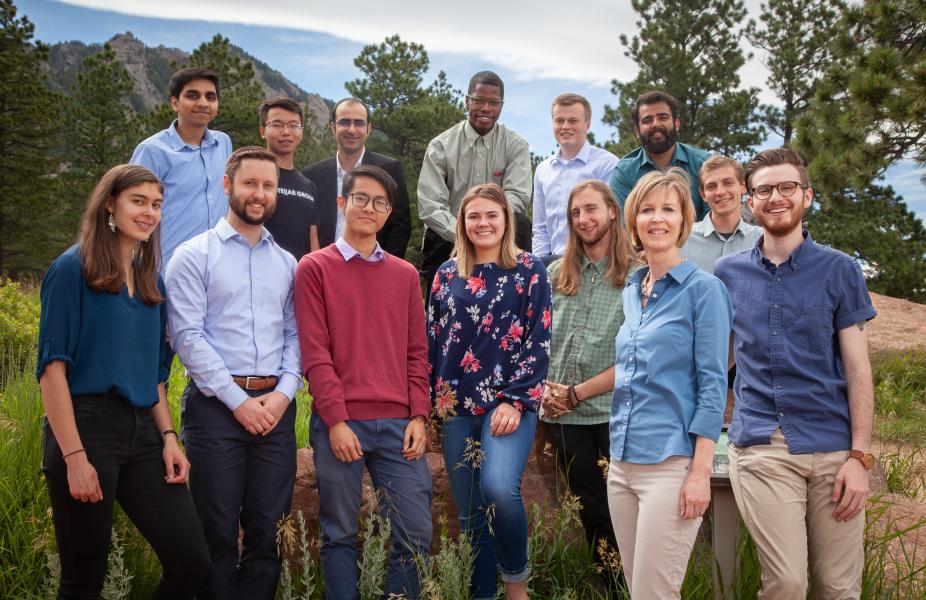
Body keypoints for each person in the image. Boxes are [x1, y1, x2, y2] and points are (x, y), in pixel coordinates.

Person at [37, 164, 209, 599]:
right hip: (85, 429)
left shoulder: (153, 279)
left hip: (143, 434)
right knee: (83, 579)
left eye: (156, 205)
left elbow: (153, 375)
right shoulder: (72, 269)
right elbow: (51, 370)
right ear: (110, 204)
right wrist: (74, 457)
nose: (149, 213)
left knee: (192, 563)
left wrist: (169, 436)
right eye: (139, 201)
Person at [714, 148, 876, 599]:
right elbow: (715, 362)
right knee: (786, 583)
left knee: (838, 588)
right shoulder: (727, 273)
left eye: (787, 187)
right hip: (764, 446)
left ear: (806, 196)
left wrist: (859, 458)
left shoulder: (840, 269)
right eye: (764, 189)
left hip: (833, 446)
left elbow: (858, 370)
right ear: (750, 202)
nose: (776, 197)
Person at [165, 146, 302, 600]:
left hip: (275, 411)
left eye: (267, 185)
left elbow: (294, 336)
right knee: (217, 532)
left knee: (268, 532)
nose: (259, 193)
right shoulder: (192, 256)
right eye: (250, 183)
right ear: (228, 186)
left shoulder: (287, 263)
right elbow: (188, 338)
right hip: (215, 411)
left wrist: (282, 396)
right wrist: (238, 402)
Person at [295, 165, 432, 600]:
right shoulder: (314, 268)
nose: (369, 208)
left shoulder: (406, 275)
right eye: (360, 199)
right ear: (342, 203)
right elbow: (315, 354)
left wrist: (419, 415)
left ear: (389, 212)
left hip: (398, 424)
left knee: (415, 532)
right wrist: (335, 421)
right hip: (342, 423)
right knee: (338, 534)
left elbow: (417, 352)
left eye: (379, 202)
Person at [607, 169, 732, 599]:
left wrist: (700, 473)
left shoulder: (706, 291)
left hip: (672, 467)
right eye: (646, 209)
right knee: (637, 589)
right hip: (621, 466)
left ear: (684, 220)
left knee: (653, 594)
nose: (656, 218)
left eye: (668, 209)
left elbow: (713, 386)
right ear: (633, 221)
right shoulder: (631, 288)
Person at [428, 183, 552, 600]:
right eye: (474, 216)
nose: (483, 223)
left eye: (491, 215)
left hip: (508, 403)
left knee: (499, 489)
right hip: (456, 407)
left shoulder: (531, 270)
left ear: (506, 220)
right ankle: (482, 594)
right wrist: (431, 407)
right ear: (462, 222)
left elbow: (538, 340)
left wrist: (516, 400)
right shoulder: (446, 273)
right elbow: (434, 340)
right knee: (471, 516)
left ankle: (516, 585)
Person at [540, 180, 638, 581]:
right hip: (563, 416)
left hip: (614, 412)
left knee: (625, 507)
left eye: (592, 209)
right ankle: (609, 586)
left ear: (613, 211)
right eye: (576, 212)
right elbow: (535, 339)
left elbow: (638, 356)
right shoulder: (554, 273)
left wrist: (578, 392)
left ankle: (638, 583)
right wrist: (543, 388)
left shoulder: (636, 276)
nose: (584, 219)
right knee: (590, 507)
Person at [418, 71, 533, 287]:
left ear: (501, 106)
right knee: (434, 233)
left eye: (493, 102)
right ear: (467, 101)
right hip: (449, 237)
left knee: (521, 223)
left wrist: (489, 230)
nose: (486, 108)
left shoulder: (516, 146)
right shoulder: (440, 146)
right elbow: (430, 205)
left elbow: (517, 196)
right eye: (479, 100)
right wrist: (464, 233)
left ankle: (519, 299)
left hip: (499, 232)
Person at [130, 67, 232, 266]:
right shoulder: (152, 151)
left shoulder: (224, 144)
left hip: (216, 271)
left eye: (210, 97)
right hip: (164, 271)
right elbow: (131, 212)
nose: (203, 103)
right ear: (175, 103)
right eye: (193, 95)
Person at [302, 98, 412, 256]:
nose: (352, 130)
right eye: (345, 122)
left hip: (373, 267)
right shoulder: (312, 175)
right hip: (324, 269)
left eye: (359, 123)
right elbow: (306, 227)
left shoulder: (389, 169)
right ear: (333, 127)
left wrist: (385, 268)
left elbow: (400, 227)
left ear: (368, 129)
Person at [532, 94, 619, 260]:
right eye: (559, 121)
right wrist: (539, 265)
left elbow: (613, 222)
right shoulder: (543, 170)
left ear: (587, 125)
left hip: (592, 261)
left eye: (573, 121)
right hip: (551, 262)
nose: (565, 126)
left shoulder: (607, 165)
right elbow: (540, 227)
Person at [609, 91, 711, 220]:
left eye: (663, 118)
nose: (656, 124)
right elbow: (622, 227)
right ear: (637, 131)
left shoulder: (703, 164)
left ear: (676, 124)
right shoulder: (624, 172)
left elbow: (713, 220)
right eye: (647, 120)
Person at [259, 95, 320, 260]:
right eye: (277, 124)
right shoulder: (254, 179)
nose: (286, 132)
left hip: (299, 279)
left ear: (301, 131)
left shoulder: (309, 186)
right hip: (257, 276)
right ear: (263, 131)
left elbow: (312, 240)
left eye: (293, 125)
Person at [681, 155, 762, 273]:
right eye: (711, 186)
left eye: (728, 183)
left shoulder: (763, 240)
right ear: (703, 194)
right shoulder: (682, 240)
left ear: (743, 186)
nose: (720, 192)